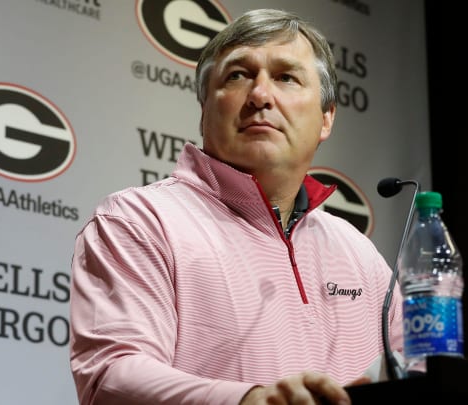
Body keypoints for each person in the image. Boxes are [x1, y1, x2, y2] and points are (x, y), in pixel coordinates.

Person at [69, 8, 403, 405]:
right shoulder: (139, 220)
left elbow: (418, 371)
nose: (261, 95)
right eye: (238, 76)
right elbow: (111, 376)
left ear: (326, 118)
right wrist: (248, 400)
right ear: (204, 110)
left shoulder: (360, 252)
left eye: (285, 77)